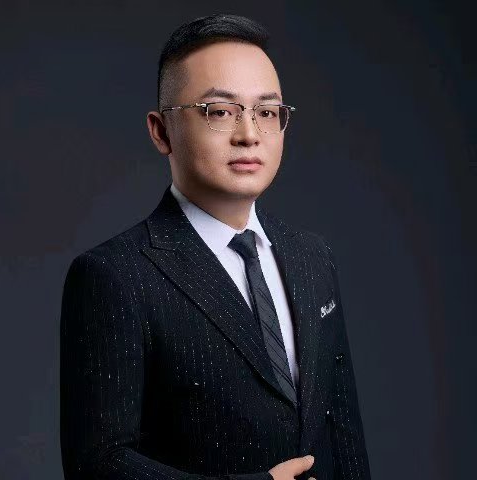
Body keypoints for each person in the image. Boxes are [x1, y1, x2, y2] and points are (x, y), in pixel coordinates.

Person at [60, 13, 371, 480]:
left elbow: (343, 437)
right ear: (161, 131)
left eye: (267, 112)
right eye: (220, 111)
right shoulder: (115, 276)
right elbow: (97, 464)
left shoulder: (312, 258)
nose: (249, 134)